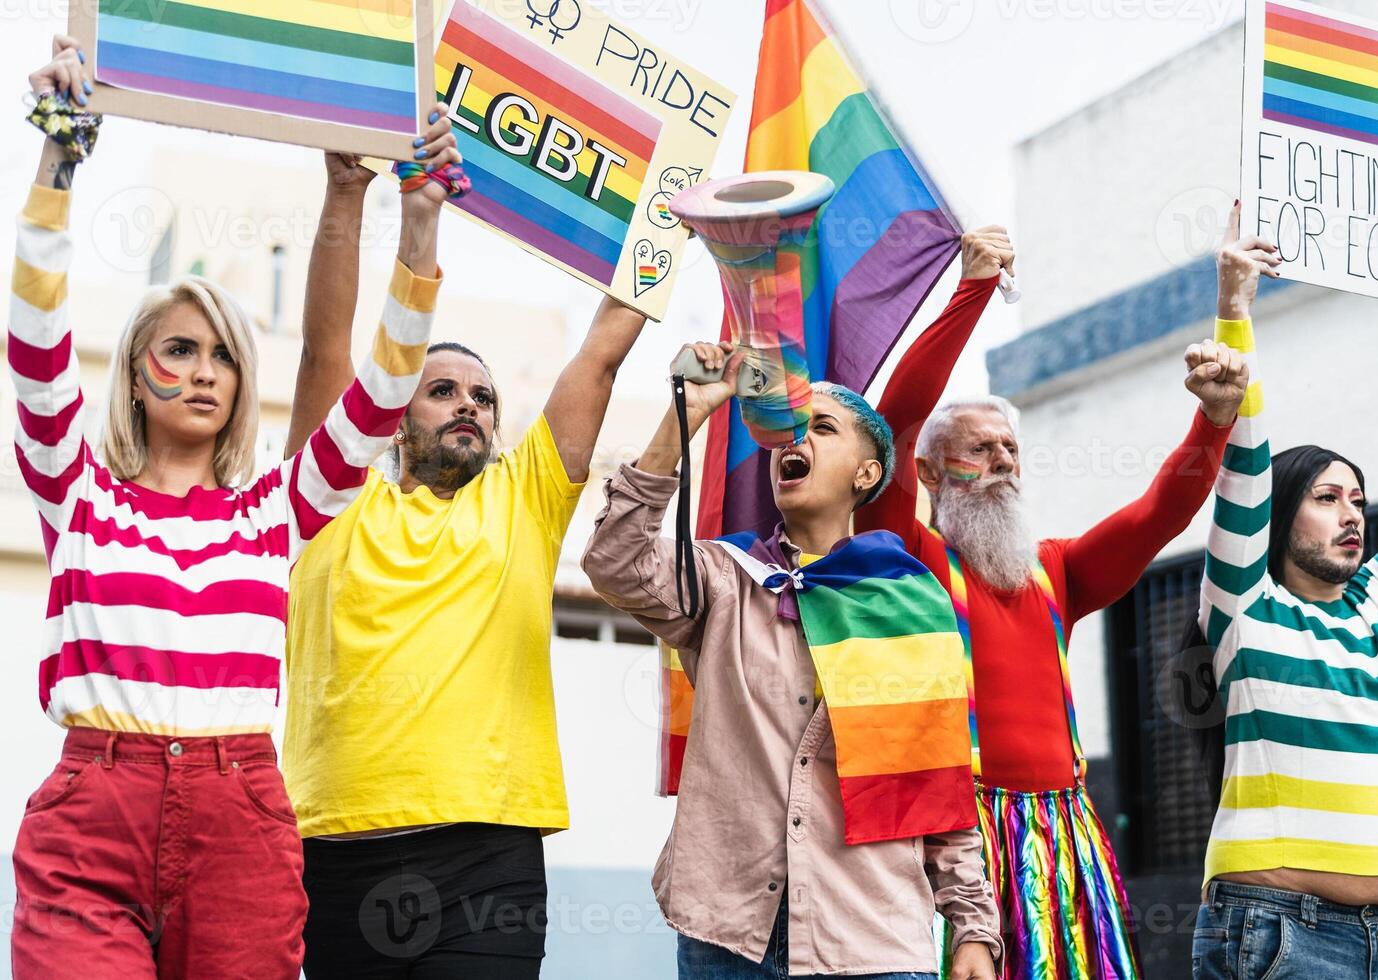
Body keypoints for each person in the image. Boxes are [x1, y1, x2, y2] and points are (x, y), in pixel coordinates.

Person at [9, 37, 455, 979]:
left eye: (222, 356)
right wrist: (58, 161)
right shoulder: (76, 491)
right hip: (92, 812)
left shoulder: (275, 509)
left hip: (241, 816)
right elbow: (34, 345)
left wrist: (419, 229)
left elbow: (378, 396)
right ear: (136, 374)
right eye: (178, 350)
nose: (203, 370)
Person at [279, 153, 648, 978]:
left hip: (488, 861)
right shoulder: (326, 498)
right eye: (443, 390)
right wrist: (347, 189)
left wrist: (663, 222)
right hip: (336, 854)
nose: (470, 407)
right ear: (391, 409)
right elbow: (320, 350)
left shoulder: (524, 499)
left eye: (482, 397)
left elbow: (600, 354)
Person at [855, 228, 1248, 978]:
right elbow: (896, 420)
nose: (1003, 462)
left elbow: (1158, 513)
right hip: (955, 843)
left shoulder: (1054, 571)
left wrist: (1216, 420)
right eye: (980, 450)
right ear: (930, 473)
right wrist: (971, 289)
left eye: (1011, 450)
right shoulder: (911, 556)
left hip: (1064, 840)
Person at [582, 341, 1004, 980]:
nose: (794, 439)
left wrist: (972, 924)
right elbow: (614, 561)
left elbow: (937, 786)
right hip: (725, 936)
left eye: (822, 426)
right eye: (789, 429)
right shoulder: (724, 578)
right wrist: (685, 416)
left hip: (869, 939)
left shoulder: (914, 605)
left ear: (867, 475)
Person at [1188, 204, 1378, 977]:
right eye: (1326, 497)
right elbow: (1244, 460)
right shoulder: (1245, 605)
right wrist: (1235, 309)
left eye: (1357, 497)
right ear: (1279, 519)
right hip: (1280, 934)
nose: (1352, 514)